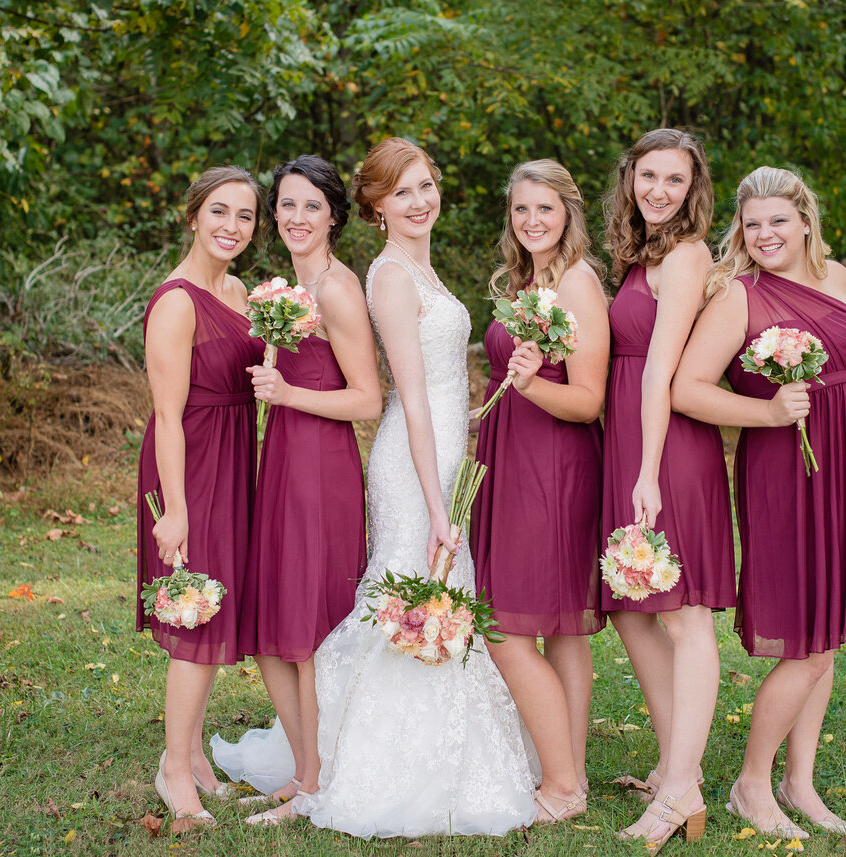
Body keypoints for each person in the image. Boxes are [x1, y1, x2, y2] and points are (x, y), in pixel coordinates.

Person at [306, 137, 535, 836]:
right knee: (415, 591)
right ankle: (389, 771)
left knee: (445, 597)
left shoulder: (422, 268)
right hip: (414, 469)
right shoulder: (391, 277)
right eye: (402, 191)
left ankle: (458, 756)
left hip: (441, 450)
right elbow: (408, 395)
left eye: (427, 185)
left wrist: (485, 410)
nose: (420, 201)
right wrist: (438, 507)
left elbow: (437, 390)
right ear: (375, 206)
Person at [670, 165, 846, 839]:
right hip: (784, 466)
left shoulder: (840, 278)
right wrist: (766, 414)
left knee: (828, 625)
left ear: (805, 222)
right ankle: (751, 782)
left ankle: (800, 782)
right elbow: (686, 388)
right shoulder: (740, 296)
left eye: (777, 221)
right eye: (752, 223)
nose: (764, 234)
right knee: (809, 640)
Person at [211, 156, 380, 825]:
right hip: (279, 455)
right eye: (285, 204)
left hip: (320, 465)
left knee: (309, 625)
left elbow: (368, 397)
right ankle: (304, 765)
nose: (295, 217)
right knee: (272, 624)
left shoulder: (337, 288)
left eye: (311, 205)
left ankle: (314, 782)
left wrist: (288, 393)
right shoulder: (282, 286)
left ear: (334, 215)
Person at [599, 128, 735, 853]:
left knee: (683, 617)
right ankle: (671, 763)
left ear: (692, 190)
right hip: (628, 438)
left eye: (674, 181)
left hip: (667, 447)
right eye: (648, 176)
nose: (658, 190)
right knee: (631, 609)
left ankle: (682, 788)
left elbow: (659, 372)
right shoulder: (639, 253)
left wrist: (647, 470)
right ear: (630, 180)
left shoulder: (685, 255)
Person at [469, 160, 609, 823]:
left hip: (552, 463)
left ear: (568, 214)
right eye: (521, 210)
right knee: (561, 630)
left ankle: (560, 782)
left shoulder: (578, 283)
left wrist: (528, 387)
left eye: (544, 210)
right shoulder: (526, 280)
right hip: (509, 451)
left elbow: (588, 400)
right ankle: (570, 774)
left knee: (505, 626)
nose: (532, 221)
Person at [135, 165, 266, 830]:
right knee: (196, 618)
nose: (231, 227)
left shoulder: (240, 290)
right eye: (219, 212)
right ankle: (174, 770)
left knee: (215, 610)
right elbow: (166, 415)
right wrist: (178, 509)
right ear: (193, 216)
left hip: (234, 456)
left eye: (244, 216)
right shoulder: (177, 301)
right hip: (189, 465)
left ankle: (194, 754)